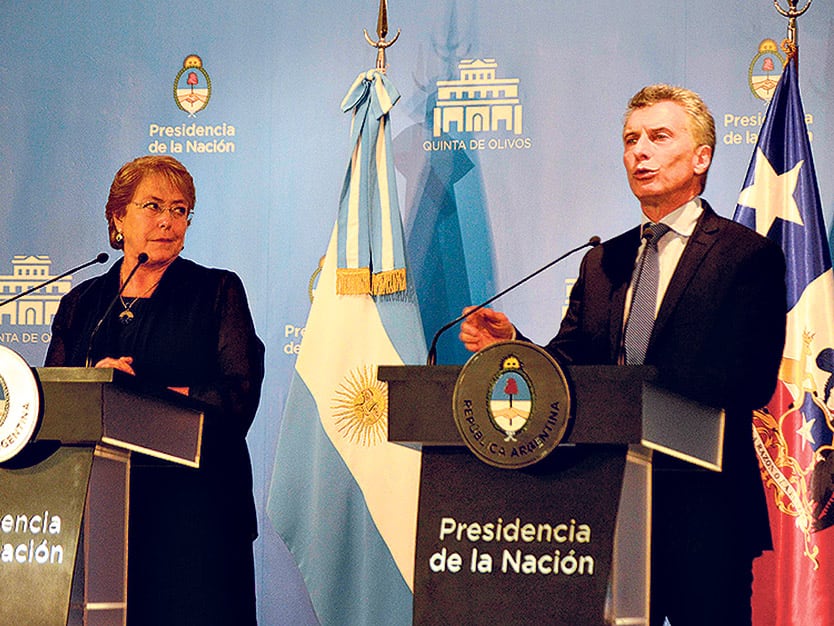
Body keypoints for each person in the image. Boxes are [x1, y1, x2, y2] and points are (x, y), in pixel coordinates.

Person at [459, 84, 787, 625]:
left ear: (702, 156)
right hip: (604, 509)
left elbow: (748, 379)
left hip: (705, 513)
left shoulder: (745, 255)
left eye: (659, 137)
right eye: (631, 139)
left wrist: (630, 392)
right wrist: (513, 348)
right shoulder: (602, 260)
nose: (639, 152)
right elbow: (569, 367)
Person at [45, 155, 265, 625]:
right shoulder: (82, 304)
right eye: (153, 206)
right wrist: (95, 379)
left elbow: (237, 397)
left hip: (196, 518)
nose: (168, 221)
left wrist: (140, 397)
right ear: (117, 218)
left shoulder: (217, 292)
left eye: (181, 209)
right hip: (100, 521)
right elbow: (53, 405)